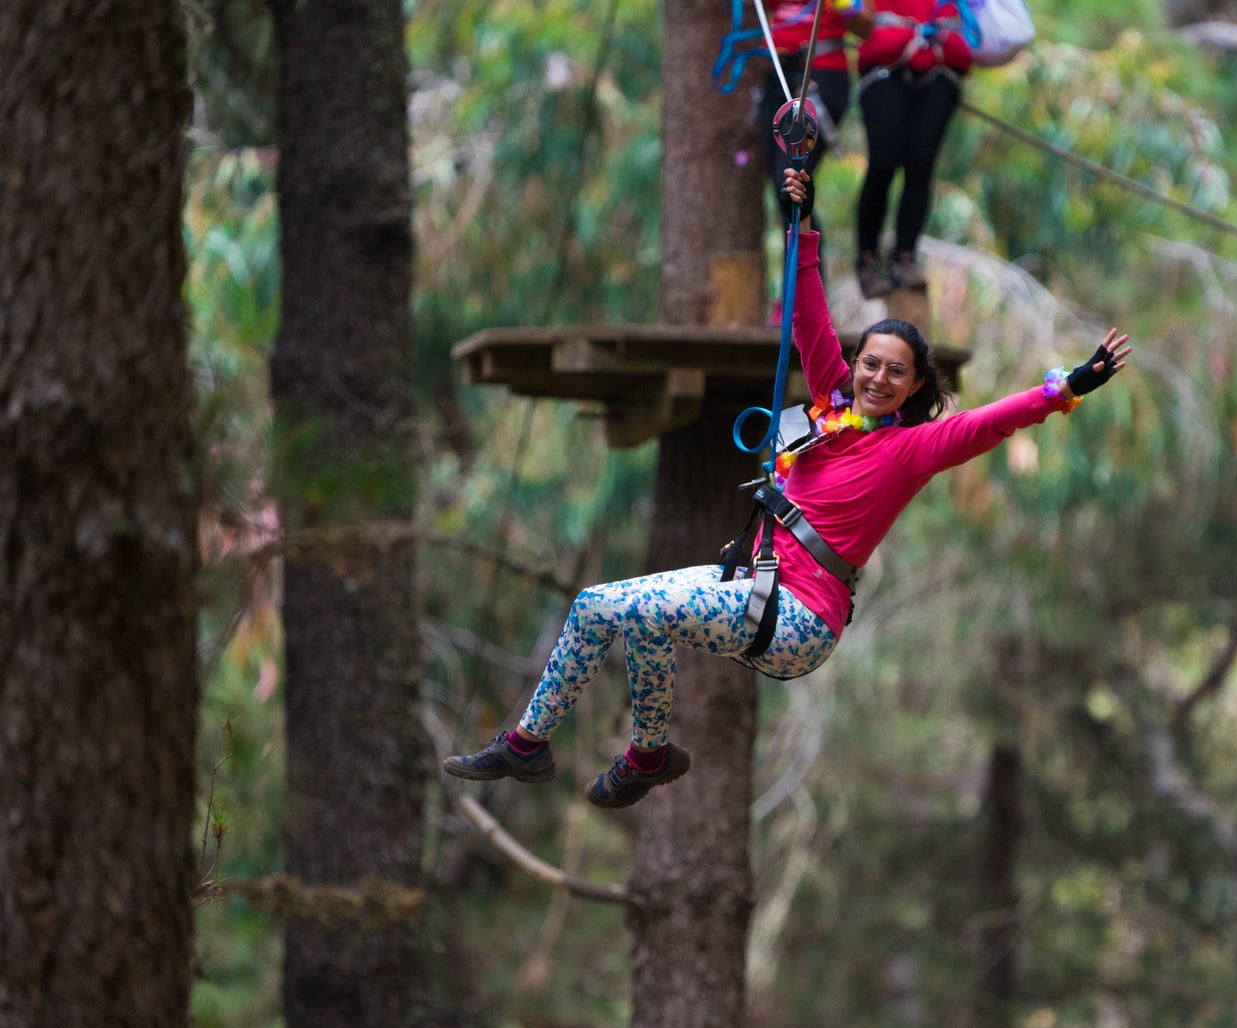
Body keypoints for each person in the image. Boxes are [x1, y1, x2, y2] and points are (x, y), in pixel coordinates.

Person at [443, 168, 1131, 809]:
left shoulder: (911, 447)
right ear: (856, 364)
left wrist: (1066, 387)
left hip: (798, 615)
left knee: (604, 603)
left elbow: (986, 424)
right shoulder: (831, 402)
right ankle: (638, 753)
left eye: (897, 372)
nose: (879, 378)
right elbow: (807, 317)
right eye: (872, 363)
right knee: (623, 613)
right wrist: (800, 218)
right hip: (757, 580)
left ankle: (535, 746)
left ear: (917, 386)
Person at [852, 0, 973, 297]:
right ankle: (867, 258)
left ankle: (905, 258)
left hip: (941, 66)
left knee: (920, 164)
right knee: (883, 161)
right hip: (884, 64)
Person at [757, 0, 875, 237]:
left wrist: (846, 4)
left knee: (790, 183)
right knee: (784, 188)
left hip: (819, 76)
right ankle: (798, 271)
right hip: (777, 77)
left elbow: (865, 26)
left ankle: (806, 271)